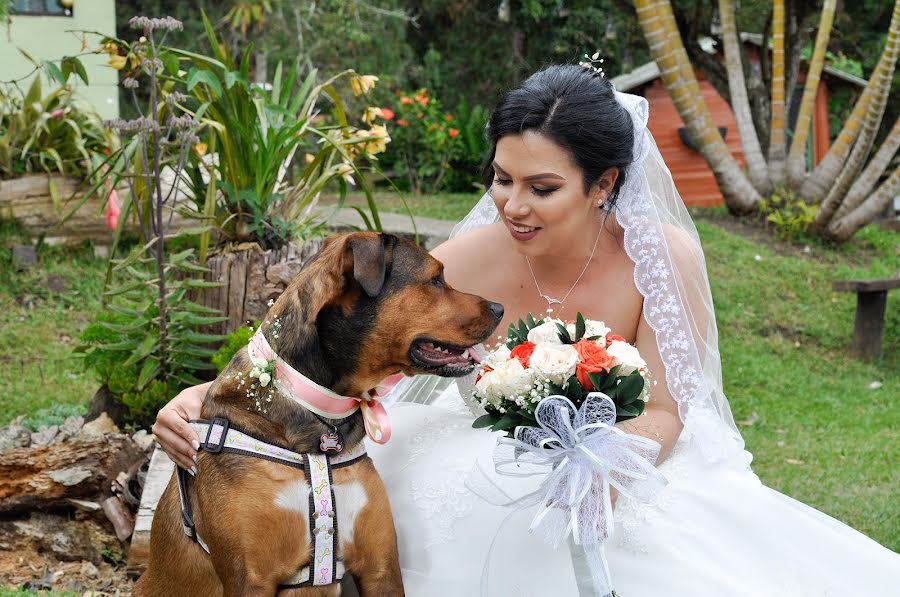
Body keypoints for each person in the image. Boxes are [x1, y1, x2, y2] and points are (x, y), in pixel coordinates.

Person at [154, 64, 899, 595]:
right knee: (436, 510)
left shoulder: (661, 258)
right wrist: (203, 395)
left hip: (629, 458)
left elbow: (670, 408)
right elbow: (347, 334)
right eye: (502, 179)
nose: (513, 205)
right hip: (473, 450)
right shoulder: (473, 256)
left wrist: (606, 459)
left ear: (603, 183)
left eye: (542, 187)